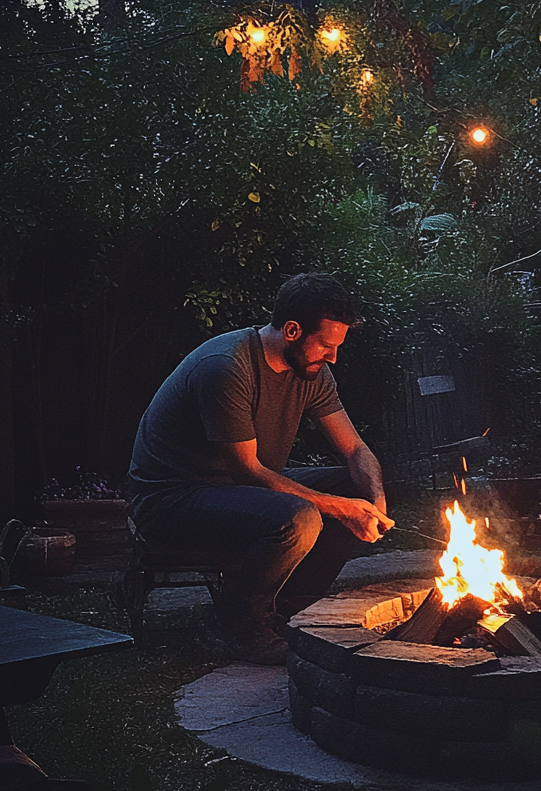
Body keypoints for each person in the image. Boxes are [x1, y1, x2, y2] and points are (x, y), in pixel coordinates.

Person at [127, 273, 394, 663]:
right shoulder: (226, 367)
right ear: (291, 330)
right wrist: (337, 507)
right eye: (325, 345)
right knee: (300, 516)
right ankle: (235, 628)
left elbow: (354, 449)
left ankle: (291, 612)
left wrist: (374, 498)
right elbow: (248, 472)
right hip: (172, 498)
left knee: (355, 488)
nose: (333, 356)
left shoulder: (313, 372)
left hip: (236, 491)